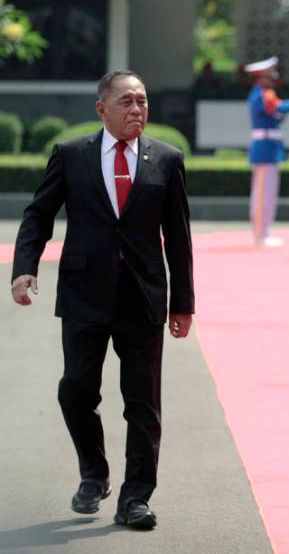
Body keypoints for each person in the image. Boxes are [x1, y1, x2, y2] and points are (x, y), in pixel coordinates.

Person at [10, 70, 194, 530]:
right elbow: (38, 215)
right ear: (102, 109)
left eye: (143, 102)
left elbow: (179, 236)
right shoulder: (71, 156)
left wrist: (182, 303)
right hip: (84, 295)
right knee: (75, 391)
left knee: (143, 403)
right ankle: (94, 474)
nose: (138, 110)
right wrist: (24, 268)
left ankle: (136, 498)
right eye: (127, 102)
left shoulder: (166, 159)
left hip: (143, 297)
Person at [244, 56, 289, 246]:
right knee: (263, 195)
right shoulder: (263, 94)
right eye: (270, 77)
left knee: (267, 194)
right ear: (263, 77)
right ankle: (261, 235)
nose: (273, 80)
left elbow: (277, 112)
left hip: (269, 149)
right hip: (265, 149)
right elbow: (280, 107)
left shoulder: (263, 94)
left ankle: (263, 232)